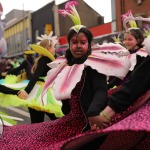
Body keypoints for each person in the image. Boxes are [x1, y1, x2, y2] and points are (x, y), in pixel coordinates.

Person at [0, 1, 131, 149]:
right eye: (74, 42)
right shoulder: (63, 64)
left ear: (88, 44)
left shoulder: (94, 65)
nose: (79, 46)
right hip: (72, 122)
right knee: (36, 139)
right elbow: (62, 92)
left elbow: (100, 91)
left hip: (93, 122)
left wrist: (93, 112)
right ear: (69, 45)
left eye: (83, 42)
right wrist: (65, 108)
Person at [108, 10, 148, 89]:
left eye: (129, 39)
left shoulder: (143, 54)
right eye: (125, 39)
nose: (126, 42)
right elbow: (118, 76)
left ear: (138, 40)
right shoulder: (125, 54)